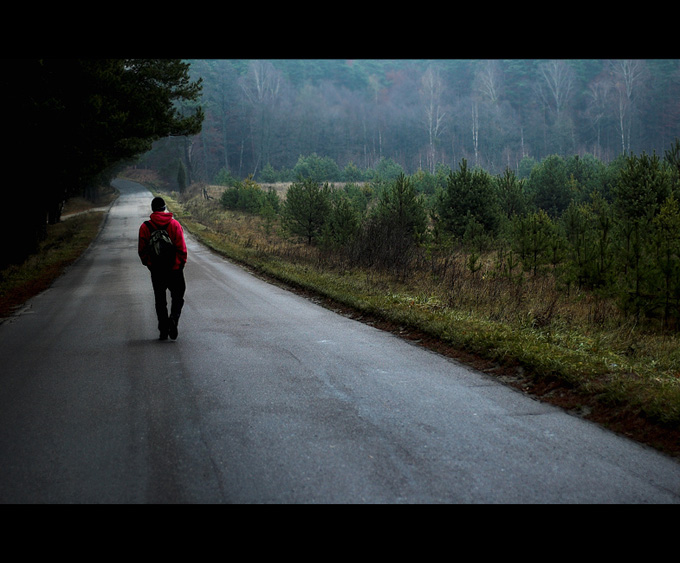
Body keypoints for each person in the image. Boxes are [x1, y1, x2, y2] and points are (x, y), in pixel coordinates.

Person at [138, 197, 188, 340]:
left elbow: (142, 250)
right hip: (175, 269)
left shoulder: (145, 227)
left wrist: (150, 264)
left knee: (160, 301)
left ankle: (163, 330)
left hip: (157, 270)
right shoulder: (174, 225)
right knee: (178, 296)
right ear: (164, 207)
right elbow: (182, 249)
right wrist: (180, 264)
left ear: (152, 209)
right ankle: (174, 318)